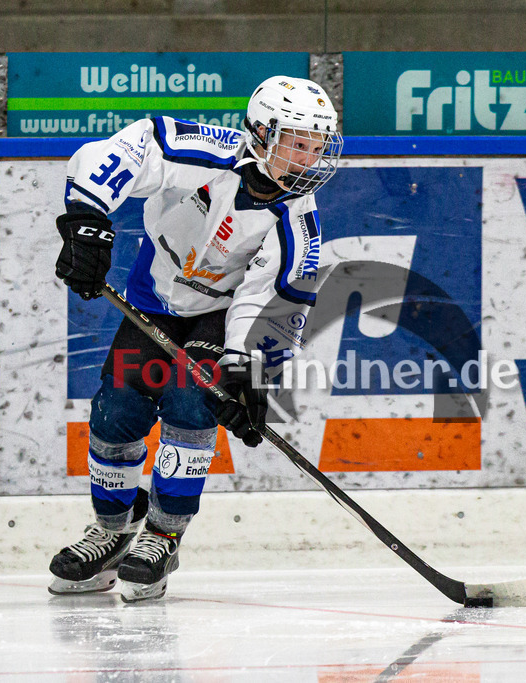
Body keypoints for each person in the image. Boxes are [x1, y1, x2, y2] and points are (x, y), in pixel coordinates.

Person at [47, 76, 342, 602]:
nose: (310, 158)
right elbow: (121, 150)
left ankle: (162, 534)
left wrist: (246, 371)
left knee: (190, 403)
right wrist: (87, 220)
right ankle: (112, 532)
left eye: (317, 145)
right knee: (116, 412)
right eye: (297, 142)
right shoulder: (204, 152)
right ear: (259, 132)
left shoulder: (298, 226)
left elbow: (272, 305)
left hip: (218, 319)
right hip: (151, 295)